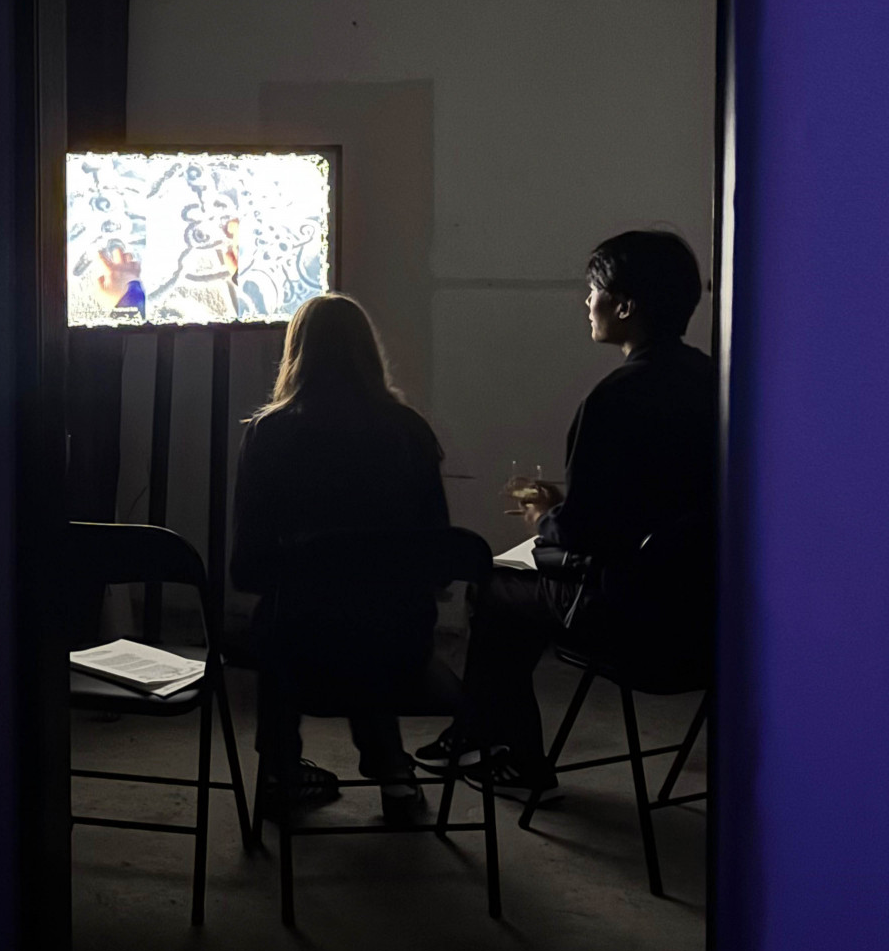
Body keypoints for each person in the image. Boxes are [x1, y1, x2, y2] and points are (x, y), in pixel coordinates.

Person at [418, 230, 718, 797]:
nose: (587, 301)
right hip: (705, 619)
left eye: (594, 290)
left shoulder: (615, 399)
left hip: (630, 618)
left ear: (624, 306)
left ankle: (516, 758)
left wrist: (545, 520)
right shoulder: (714, 383)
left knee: (494, 586)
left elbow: (584, 533)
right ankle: (479, 734)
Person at [232, 294, 449, 825]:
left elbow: (248, 569)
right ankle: (393, 772)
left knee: (288, 615)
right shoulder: (410, 431)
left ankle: (280, 769)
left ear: (296, 353)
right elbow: (439, 559)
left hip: (301, 650)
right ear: (368, 352)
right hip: (399, 649)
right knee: (365, 613)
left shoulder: (269, 435)